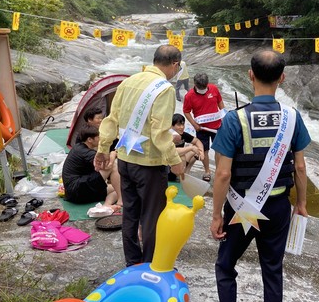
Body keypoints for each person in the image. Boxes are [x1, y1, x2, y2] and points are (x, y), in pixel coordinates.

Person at [206, 49, 311, 302]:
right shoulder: (292, 117)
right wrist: (300, 204)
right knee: (272, 270)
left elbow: (223, 174)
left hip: (242, 209)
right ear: (282, 78)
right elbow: (300, 167)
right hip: (278, 206)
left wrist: (216, 215)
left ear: (250, 75)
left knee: (225, 265)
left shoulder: (234, 120)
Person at [94, 45, 185, 267]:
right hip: (149, 165)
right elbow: (160, 132)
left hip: (125, 160)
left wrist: (103, 149)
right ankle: (151, 265)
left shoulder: (128, 81)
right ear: (174, 65)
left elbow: (111, 119)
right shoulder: (165, 89)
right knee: (152, 217)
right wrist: (175, 162)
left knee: (130, 213)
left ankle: (132, 263)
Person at [62, 125, 121, 208]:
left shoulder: (78, 147)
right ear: (89, 139)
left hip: (74, 193)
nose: (101, 139)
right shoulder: (84, 151)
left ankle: (107, 204)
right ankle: (121, 200)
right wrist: (114, 153)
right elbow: (107, 164)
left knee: (120, 188)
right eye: (98, 137)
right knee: (112, 166)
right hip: (78, 189)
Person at [183, 72, 225, 182]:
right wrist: (194, 124)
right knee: (204, 151)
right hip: (202, 129)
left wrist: (224, 115)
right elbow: (186, 111)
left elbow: (220, 102)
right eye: (201, 88)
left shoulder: (213, 89)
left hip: (217, 126)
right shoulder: (189, 96)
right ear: (195, 85)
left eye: (205, 87)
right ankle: (207, 171)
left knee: (218, 150)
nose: (203, 89)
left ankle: (218, 171)